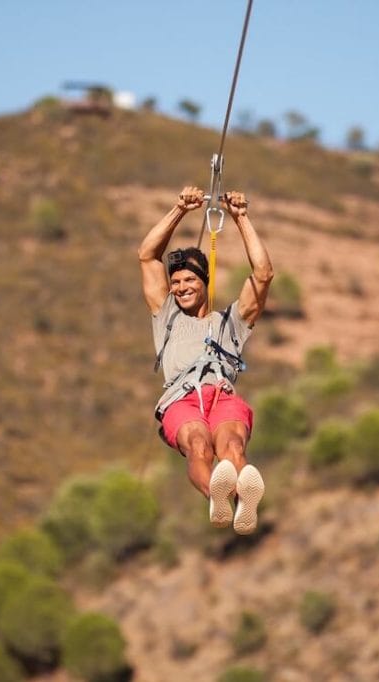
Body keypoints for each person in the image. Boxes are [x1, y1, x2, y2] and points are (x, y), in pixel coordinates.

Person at [137, 186, 273, 535]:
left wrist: (241, 218)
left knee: (231, 446)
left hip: (222, 395)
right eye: (175, 282)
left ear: (204, 284)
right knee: (199, 444)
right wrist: (178, 209)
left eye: (188, 280)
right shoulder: (166, 316)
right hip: (181, 399)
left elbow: (263, 275)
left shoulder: (231, 323)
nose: (179, 287)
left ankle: (243, 498)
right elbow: (147, 256)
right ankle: (217, 493)